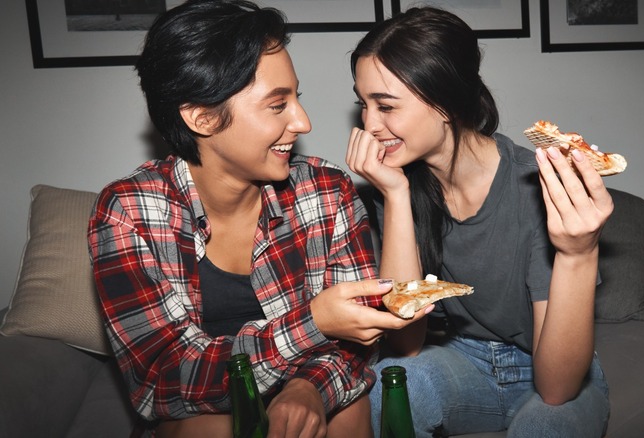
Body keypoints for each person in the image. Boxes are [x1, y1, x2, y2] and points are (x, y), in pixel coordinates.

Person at [87, 1, 427, 437]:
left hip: (314, 381)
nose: (303, 122)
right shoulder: (128, 213)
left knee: (349, 409)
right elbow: (162, 380)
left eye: (297, 98)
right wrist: (311, 324)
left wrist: (309, 387)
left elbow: (360, 340)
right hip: (203, 406)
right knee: (209, 429)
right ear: (202, 117)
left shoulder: (325, 190)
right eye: (277, 105)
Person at [345, 7, 612, 438]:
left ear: (446, 102)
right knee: (389, 388)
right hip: (463, 360)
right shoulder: (397, 184)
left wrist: (579, 253)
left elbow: (556, 388)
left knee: (543, 427)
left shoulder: (537, 187)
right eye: (364, 105)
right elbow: (407, 344)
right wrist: (395, 196)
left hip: (547, 366)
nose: (369, 124)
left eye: (386, 106)